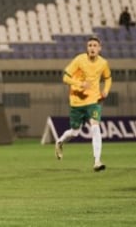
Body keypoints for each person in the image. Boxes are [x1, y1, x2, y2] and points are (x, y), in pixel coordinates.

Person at [55, 36, 111, 172]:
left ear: (99, 48)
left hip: (94, 101)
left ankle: (97, 161)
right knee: (75, 132)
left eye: (94, 45)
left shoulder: (103, 63)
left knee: (95, 128)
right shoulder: (79, 60)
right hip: (76, 101)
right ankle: (60, 141)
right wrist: (80, 84)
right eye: (90, 45)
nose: (92, 48)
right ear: (87, 48)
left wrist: (106, 90)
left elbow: (108, 78)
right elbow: (65, 77)